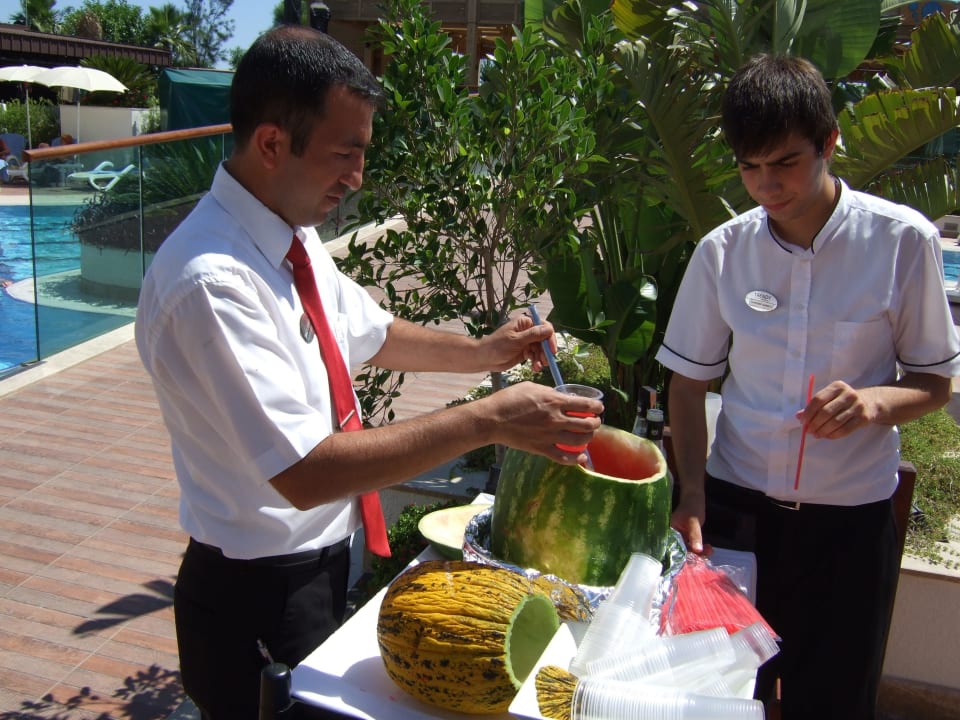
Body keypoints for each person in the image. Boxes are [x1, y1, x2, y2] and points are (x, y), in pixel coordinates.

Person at [134, 25, 602, 720]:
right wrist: (489, 420)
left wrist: (483, 352)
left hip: (318, 567)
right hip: (253, 597)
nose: (356, 178)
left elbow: (371, 331)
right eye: (344, 154)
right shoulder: (213, 282)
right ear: (270, 144)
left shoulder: (286, 232)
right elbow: (305, 473)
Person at [656, 54, 960, 719]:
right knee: (721, 698)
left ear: (828, 143)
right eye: (749, 166)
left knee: (835, 703)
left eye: (785, 163)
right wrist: (694, 492)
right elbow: (687, 383)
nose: (766, 185)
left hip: (850, 528)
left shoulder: (902, 242)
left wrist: (874, 402)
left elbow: (935, 382)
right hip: (738, 519)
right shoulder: (722, 253)